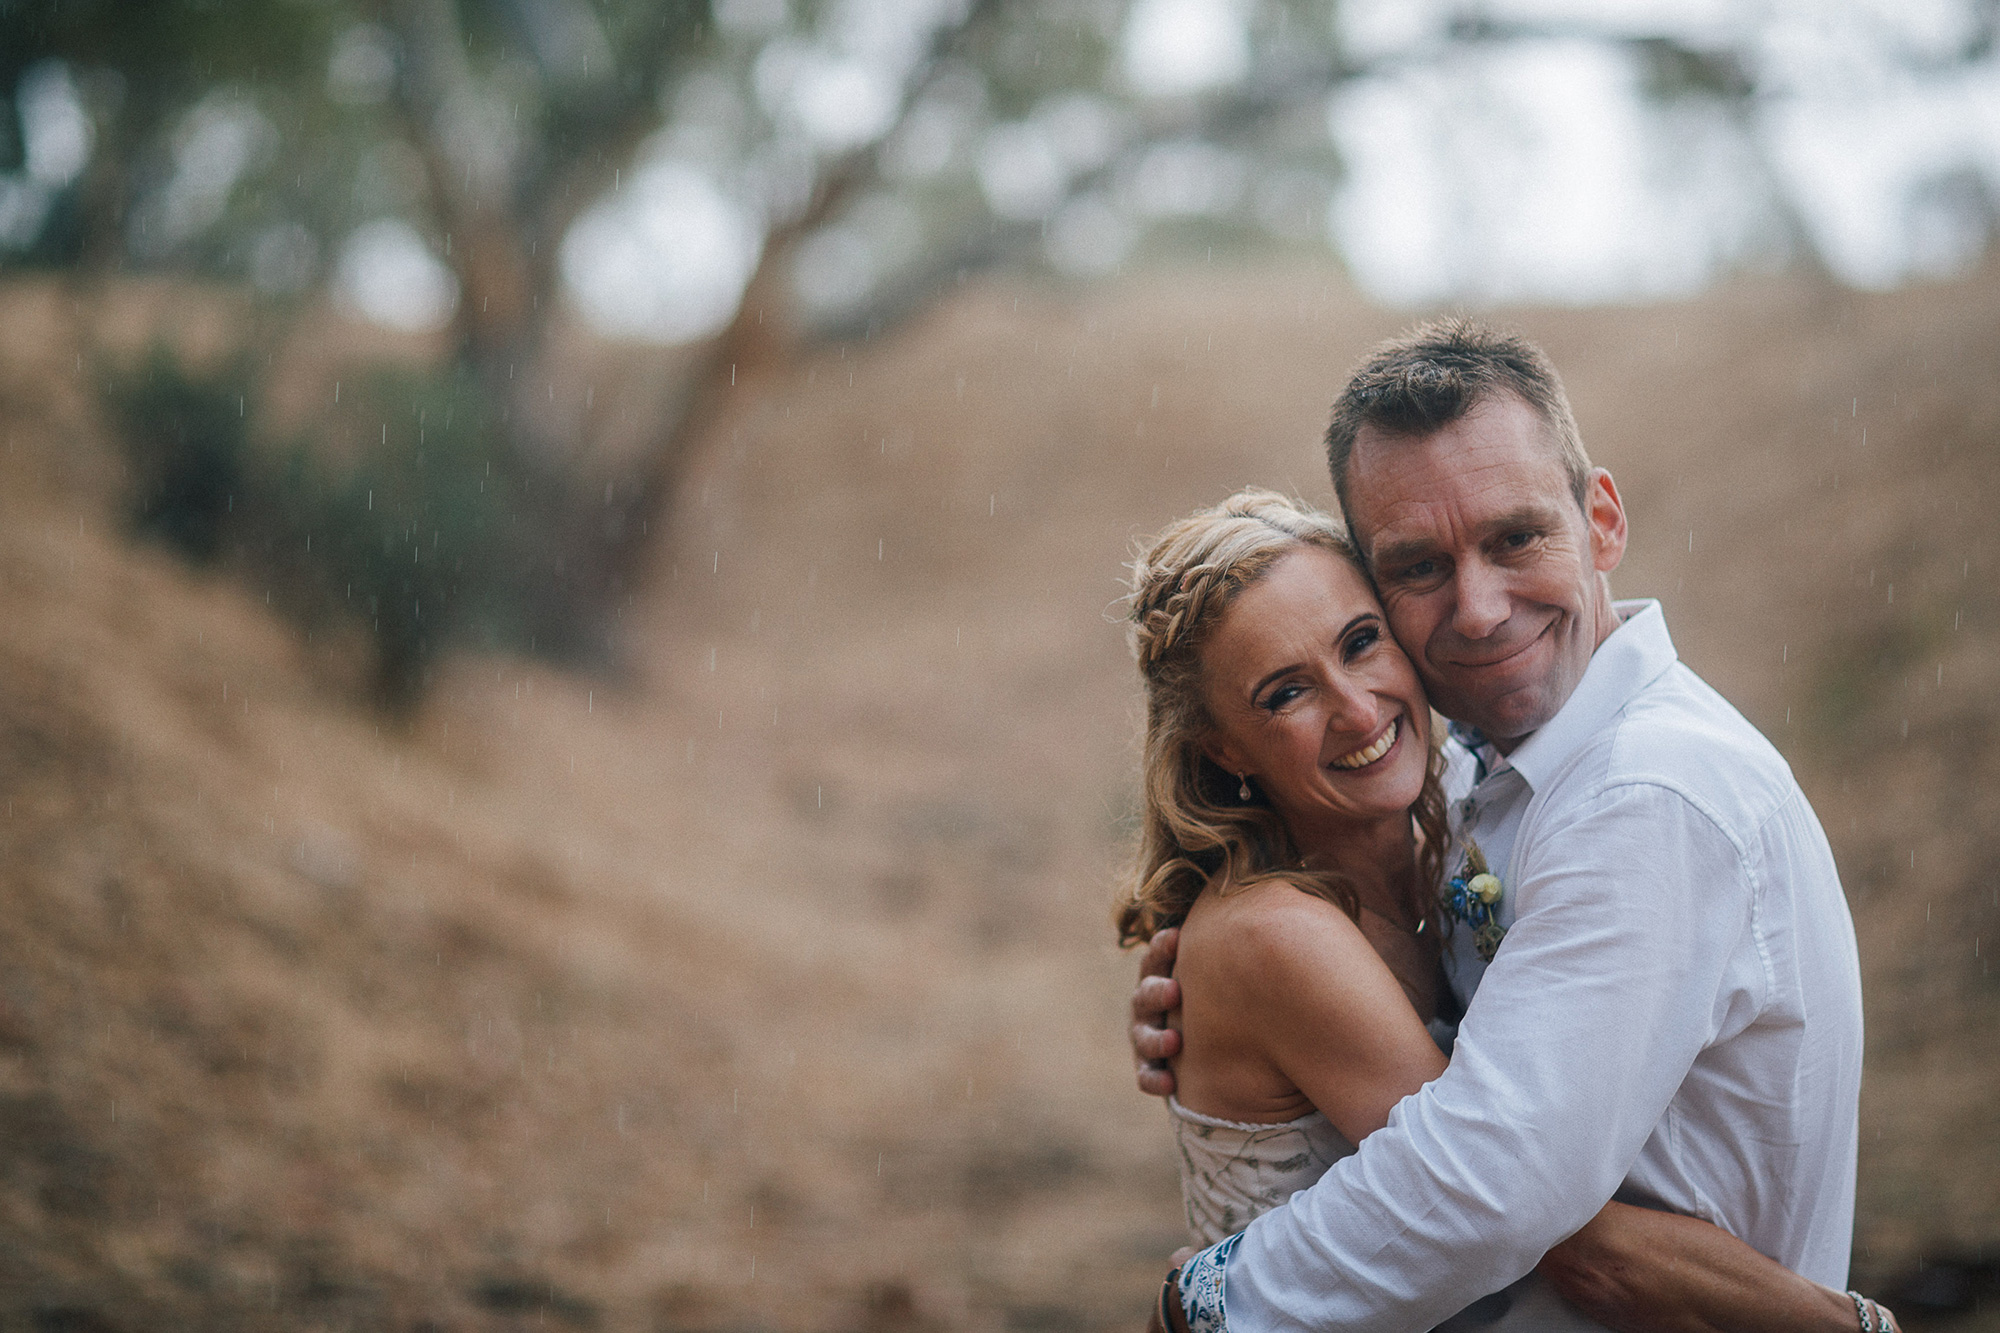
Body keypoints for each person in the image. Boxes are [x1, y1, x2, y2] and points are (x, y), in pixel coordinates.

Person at [1127, 321, 1879, 1333]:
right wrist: (1230, 1013)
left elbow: (1495, 1188)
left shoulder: (1643, 794)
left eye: (1514, 537)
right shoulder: (1478, 771)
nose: (1478, 610)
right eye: (1419, 567)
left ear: (1600, 520)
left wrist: (1208, 1302)